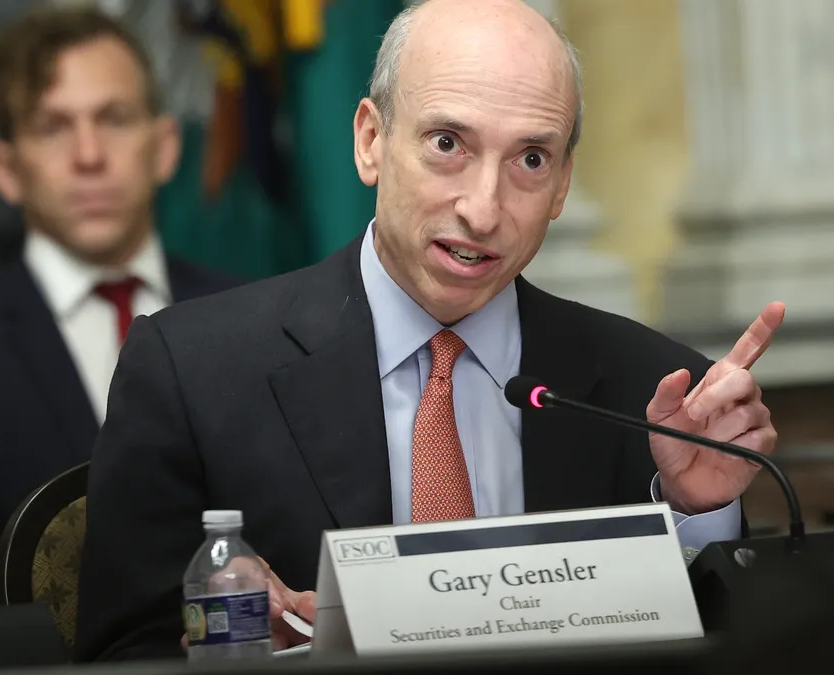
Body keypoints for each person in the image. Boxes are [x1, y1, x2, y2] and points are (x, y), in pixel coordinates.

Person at [73, 0, 783, 662]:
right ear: (371, 141)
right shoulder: (192, 370)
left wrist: (698, 511)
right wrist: (251, 635)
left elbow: (735, 649)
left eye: (530, 160)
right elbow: (125, 649)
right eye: (448, 143)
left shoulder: (648, 392)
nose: (483, 208)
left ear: (564, 183)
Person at [0, 6, 236, 603]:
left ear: (166, 146)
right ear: (6, 169)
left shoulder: (252, 314)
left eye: (114, 118)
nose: (89, 155)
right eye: (52, 126)